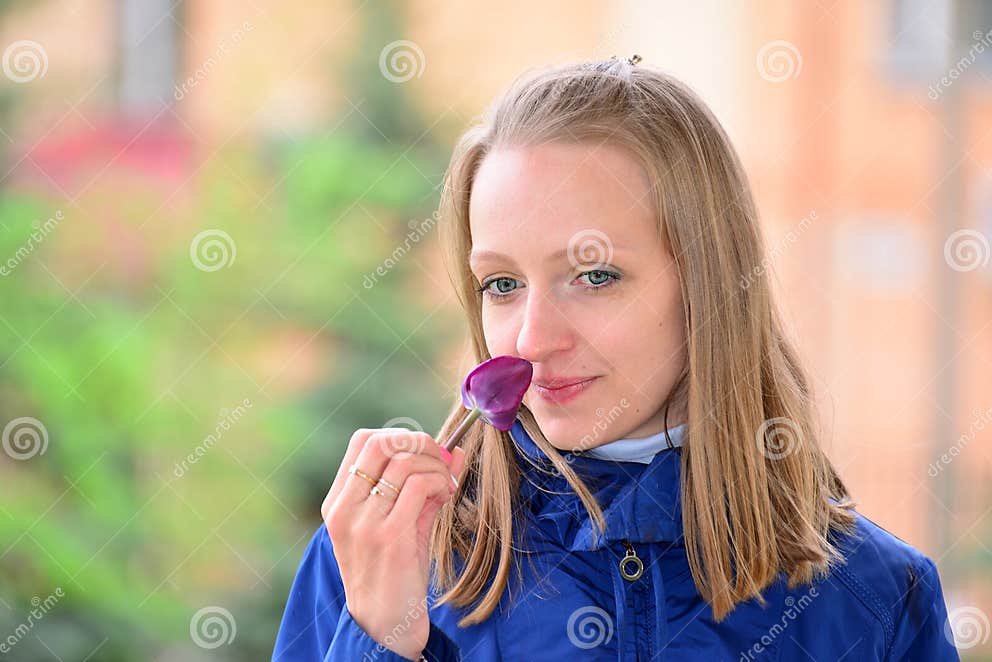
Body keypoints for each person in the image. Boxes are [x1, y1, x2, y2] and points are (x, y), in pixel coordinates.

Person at [272, 55, 960, 661]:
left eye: (594, 275)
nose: (532, 339)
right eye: (502, 284)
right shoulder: (373, 554)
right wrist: (381, 642)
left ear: (707, 287)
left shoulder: (877, 601)